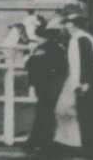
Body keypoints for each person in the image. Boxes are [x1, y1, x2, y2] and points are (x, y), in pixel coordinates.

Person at [52, 7, 93, 154]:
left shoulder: (82, 38)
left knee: (71, 110)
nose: (66, 26)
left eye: (68, 23)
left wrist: (84, 82)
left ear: (74, 24)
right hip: (75, 79)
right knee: (65, 110)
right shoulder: (78, 38)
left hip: (81, 80)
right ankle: (69, 141)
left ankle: (78, 143)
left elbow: (87, 62)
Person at [24, 24, 69, 155]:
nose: (37, 39)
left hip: (44, 85)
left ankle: (36, 142)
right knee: (47, 113)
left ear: (44, 37)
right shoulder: (58, 48)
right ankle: (42, 142)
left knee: (43, 113)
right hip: (52, 85)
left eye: (39, 37)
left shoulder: (43, 49)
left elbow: (30, 64)